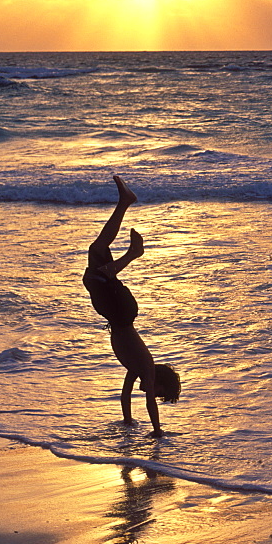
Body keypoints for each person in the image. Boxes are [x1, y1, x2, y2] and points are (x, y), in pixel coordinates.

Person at [83, 175, 180, 437]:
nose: (154, 396)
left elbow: (125, 395)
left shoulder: (135, 369)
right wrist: (157, 430)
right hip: (122, 314)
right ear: (161, 384)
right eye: (161, 394)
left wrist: (127, 421)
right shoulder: (147, 369)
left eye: (158, 398)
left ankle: (125, 202)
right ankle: (133, 254)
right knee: (95, 276)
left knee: (98, 249)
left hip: (120, 315)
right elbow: (147, 402)